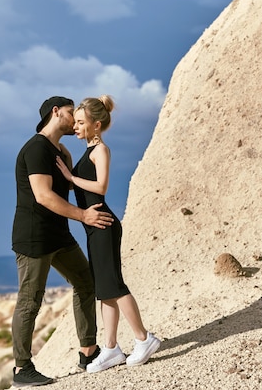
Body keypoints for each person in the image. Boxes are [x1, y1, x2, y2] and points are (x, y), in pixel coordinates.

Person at [11, 96, 114, 387]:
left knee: (85, 281)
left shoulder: (59, 150)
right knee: (30, 302)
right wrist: (84, 216)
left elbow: (71, 182)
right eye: (72, 113)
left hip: (58, 234)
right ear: (56, 113)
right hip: (34, 237)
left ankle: (88, 351)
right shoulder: (36, 149)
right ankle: (21, 369)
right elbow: (43, 195)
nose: (76, 117)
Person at [55, 95, 161, 373]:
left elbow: (100, 187)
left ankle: (144, 338)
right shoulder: (87, 149)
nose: (75, 127)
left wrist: (69, 176)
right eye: (75, 121)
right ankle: (111, 348)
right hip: (93, 226)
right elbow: (82, 189)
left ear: (96, 124)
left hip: (103, 224)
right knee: (104, 290)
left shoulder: (100, 150)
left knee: (113, 284)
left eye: (80, 122)